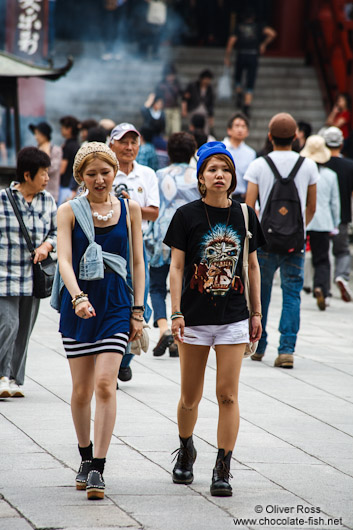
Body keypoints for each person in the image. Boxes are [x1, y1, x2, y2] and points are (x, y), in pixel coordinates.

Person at [164, 141, 264, 497]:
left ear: (233, 176)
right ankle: (186, 447)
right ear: (201, 178)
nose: (219, 174)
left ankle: (223, 465)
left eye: (225, 169)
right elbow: (176, 268)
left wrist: (257, 312)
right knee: (190, 397)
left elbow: (252, 266)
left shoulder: (245, 215)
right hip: (193, 318)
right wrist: (175, 311)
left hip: (234, 317)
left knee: (228, 396)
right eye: (212, 169)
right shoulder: (186, 215)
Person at [53, 142, 144, 500]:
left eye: (105, 171)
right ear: (81, 177)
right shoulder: (68, 211)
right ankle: (84, 454)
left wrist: (138, 310)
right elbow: (63, 260)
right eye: (91, 174)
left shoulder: (130, 209)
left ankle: (98, 469)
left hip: (117, 305)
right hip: (80, 304)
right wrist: (77, 297)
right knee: (81, 391)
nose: (100, 179)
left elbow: (137, 261)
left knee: (106, 384)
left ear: (114, 171)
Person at [245, 113, 319, 369]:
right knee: (292, 295)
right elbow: (311, 206)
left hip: (266, 242)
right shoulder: (308, 165)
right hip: (295, 242)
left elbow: (249, 206)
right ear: (296, 137)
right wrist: (299, 229)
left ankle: (259, 345)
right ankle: (286, 350)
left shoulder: (258, 164)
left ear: (270, 136)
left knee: (260, 293)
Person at [0, 147, 57, 399]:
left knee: (24, 329)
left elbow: (57, 232)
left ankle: (13, 378)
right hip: (4, 275)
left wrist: (47, 245)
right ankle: (1, 375)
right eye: (43, 173)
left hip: (32, 278)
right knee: (8, 324)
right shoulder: (3, 200)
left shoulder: (48, 201)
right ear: (27, 174)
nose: (47, 178)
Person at [109, 123, 159, 382]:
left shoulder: (147, 174)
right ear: (111, 144)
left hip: (140, 247)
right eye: (123, 142)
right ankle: (113, 358)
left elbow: (154, 211)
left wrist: (131, 206)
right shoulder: (105, 172)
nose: (129, 147)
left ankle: (123, 359)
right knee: (115, 302)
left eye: (133, 143)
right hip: (110, 247)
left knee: (142, 307)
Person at [146, 132, 198, 358]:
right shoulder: (198, 175)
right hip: (189, 238)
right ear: (192, 152)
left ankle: (164, 328)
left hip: (161, 235)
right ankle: (180, 333)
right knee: (186, 285)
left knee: (157, 285)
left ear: (169, 152)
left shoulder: (158, 175)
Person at [300, 136, 340, 310]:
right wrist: (335, 222)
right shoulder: (331, 176)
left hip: (303, 221)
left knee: (300, 254)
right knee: (322, 259)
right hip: (323, 222)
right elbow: (334, 202)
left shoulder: (301, 172)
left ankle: (305, 283)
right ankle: (321, 286)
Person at [224, 8, 277, 117]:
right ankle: (247, 105)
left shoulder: (238, 27)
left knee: (238, 77)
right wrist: (264, 44)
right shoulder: (259, 26)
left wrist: (227, 57)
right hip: (253, 55)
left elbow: (231, 42)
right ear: (253, 17)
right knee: (250, 80)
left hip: (241, 54)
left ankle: (239, 93)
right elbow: (272, 33)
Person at [323, 126, 353, 302]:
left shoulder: (320, 164)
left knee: (323, 254)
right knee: (341, 251)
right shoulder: (350, 166)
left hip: (321, 218)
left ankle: (324, 289)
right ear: (341, 143)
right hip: (341, 217)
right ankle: (341, 275)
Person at [223, 112, 256, 202]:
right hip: (222, 196)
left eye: (243, 126)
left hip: (241, 197)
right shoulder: (221, 149)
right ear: (229, 130)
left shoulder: (251, 153)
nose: (240, 129)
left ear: (247, 132)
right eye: (237, 126)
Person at [29, 121, 62, 203]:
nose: (36, 137)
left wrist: (46, 153)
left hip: (52, 193)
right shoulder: (34, 150)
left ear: (45, 135)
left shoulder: (56, 150)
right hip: (35, 193)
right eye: (35, 134)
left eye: (38, 134)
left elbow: (51, 169)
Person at [182, 69, 215, 134]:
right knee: (192, 128)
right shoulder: (193, 85)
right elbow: (185, 98)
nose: (207, 81)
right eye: (206, 79)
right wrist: (184, 109)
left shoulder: (210, 89)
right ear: (202, 78)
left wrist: (211, 117)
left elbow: (211, 104)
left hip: (205, 112)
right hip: (193, 109)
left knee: (205, 130)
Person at [155, 63, 183, 136]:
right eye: (169, 75)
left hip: (175, 109)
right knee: (166, 130)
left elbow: (182, 96)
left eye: (172, 75)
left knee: (176, 130)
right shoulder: (161, 85)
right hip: (165, 109)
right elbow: (157, 98)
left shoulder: (177, 84)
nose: (170, 77)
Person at [59, 115, 80, 205]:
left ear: (69, 129)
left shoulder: (67, 146)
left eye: (63, 127)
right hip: (73, 186)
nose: (61, 129)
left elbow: (62, 169)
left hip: (65, 186)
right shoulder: (77, 145)